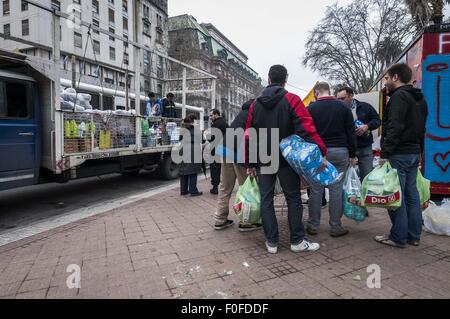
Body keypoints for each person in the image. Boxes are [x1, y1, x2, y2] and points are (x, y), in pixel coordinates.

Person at [246, 65, 327, 254]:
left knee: (266, 198)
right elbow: (306, 129)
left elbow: (249, 134)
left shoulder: (255, 104)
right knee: (293, 198)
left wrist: (250, 162)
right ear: (285, 80)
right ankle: (297, 241)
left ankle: (272, 242)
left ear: (268, 78)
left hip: (263, 157)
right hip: (286, 157)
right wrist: (321, 151)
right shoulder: (292, 99)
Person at [376, 63, 428, 248]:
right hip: (413, 152)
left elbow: (394, 127)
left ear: (396, 77)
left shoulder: (398, 98)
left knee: (395, 195)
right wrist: (420, 151)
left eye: (387, 78)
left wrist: (385, 153)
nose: (385, 81)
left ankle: (398, 237)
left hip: (399, 153)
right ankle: (413, 235)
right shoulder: (419, 98)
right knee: (411, 195)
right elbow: (422, 128)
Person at [307, 82, 358, 237]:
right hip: (340, 151)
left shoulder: (310, 109)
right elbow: (351, 132)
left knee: (316, 189)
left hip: (318, 154)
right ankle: (335, 226)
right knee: (336, 190)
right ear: (329, 91)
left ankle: (313, 225)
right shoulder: (343, 108)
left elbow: (306, 132)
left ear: (316, 92)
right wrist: (352, 154)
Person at [214, 99, 263, 232]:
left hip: (224, 150)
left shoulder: (241, 114)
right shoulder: (255, 114)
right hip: (240, 153)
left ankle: (220, 219)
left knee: (224, 187)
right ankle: (247, 221)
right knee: (247, 188)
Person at [336, 87, 381, 181]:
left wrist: (367, 126)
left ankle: (364, 195)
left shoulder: (365, 107)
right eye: (338, 99)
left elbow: (377, 121)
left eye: (342, 98)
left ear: (351, 96)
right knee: (347, 179)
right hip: (347, 149)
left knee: (367, 177)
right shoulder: (337, 110)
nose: (340, 101)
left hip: (365, 147)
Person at [179, 114, 203, 197]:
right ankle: (193, 190)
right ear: (193, 121)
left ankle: (183, 190)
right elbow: (202, 140)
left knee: (184, 170)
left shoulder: (182, 129)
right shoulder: (195, 130)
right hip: (193, 151)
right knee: (193, 171)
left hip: (183, 150)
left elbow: (180, 139)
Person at [209, 109, 228, 195]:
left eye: (211, 115)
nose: (210, 117)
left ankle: (215, 187)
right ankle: (225, 186)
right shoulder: (225, 123)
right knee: (224, 167)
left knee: (215, 168)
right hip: (224, 148)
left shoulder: (215, 124)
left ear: (216, 114)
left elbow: (211, 138)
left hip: (216, 148)